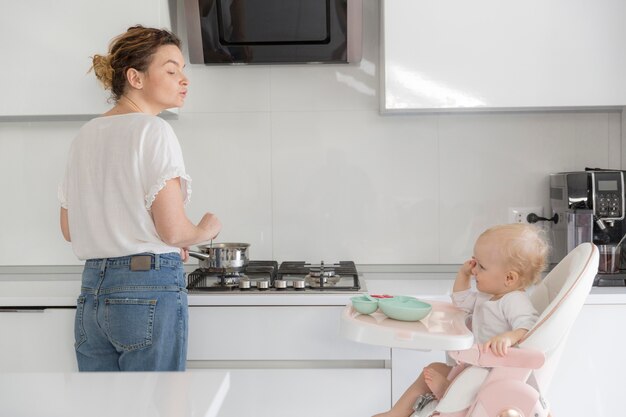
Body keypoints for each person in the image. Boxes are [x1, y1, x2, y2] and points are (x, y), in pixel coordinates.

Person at [58, 25, 221, 371]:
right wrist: (206, 229)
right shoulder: (154, 130)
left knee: (105, 408)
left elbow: (69, 229)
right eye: (171, 69)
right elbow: (174, 232)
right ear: (135, 77)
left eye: (183, 71)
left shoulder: (85, 135)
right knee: (160, 405)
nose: (184, 80)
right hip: (148, 288)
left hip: (92, 293)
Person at [374, 223, 549, 417]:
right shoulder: (487, 296)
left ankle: (448, 392)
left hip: (493, 373)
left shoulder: (514, 300)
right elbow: (461, 301)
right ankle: (395, 413)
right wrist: (463, 275)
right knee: (433, 368)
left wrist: (509, 337)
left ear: (509, 278)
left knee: (444, 375)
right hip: (475, 366)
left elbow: (531, 326)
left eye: (481, 267)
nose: (475, 271)